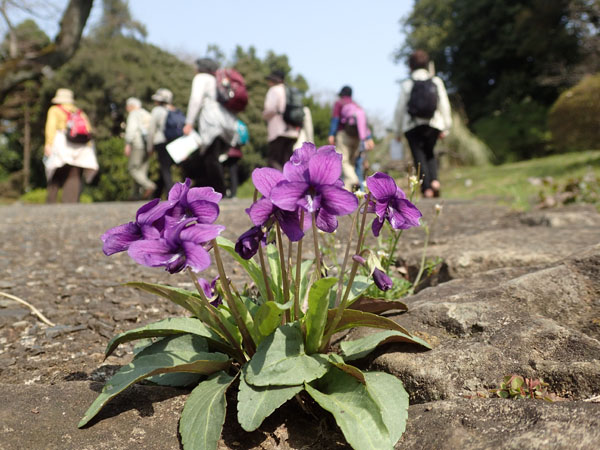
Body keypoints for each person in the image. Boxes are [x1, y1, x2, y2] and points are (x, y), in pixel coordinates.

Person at [394, 49, 452, 198]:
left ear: (410, 66)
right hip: (434, 124)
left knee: (418, 156)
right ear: (427, 65)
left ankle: (426, 188)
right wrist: (446, 126)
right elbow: (444, 104)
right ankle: (435, 182)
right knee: (430, 153)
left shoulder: (407, 84)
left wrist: (397, 131)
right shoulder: (436, 81)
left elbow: (400, 108)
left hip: (412, 126)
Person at [182, 57, 228, 194]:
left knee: (210, 158)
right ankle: (213, 191)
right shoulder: (216, 80)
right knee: (211, 157)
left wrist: (189, 122)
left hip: (210, 121)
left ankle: (219, 191)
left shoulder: (201, 78)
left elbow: (196, 99)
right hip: (223, 121)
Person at [43, 88, 98, 203]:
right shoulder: (78, 111)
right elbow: (88, 130)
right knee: (74, 173)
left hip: (62, 142)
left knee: (56, 171)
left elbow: (51, 127)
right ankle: (71, 202)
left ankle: (51, 201)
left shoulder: (55, 110)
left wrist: (48, 144)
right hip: (79, 144)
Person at [328, 86, 374, 190]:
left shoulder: (339, 103)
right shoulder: (356, 105)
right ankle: (355, 193)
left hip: (344, 135)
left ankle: (353, 180)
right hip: (358, 137)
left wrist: (331, 134)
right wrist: (369, 137)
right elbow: (363, 124)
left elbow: (335, 119)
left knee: (344, 162)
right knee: (353, 164)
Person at [263, 70, 299, 170]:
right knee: (287, 162)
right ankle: (289, 183)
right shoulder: (291, 91)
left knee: (273, 160)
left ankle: (278, 184)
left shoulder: (274, 90)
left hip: (278, 131)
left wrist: (264, 115)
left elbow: (270, 109)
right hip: (292, 132)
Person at [124, 97, 155, 199]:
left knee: (133, 168)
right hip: (148, 145)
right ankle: (136, 195)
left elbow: (131, 129)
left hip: (137, 145)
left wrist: (127, 143)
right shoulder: (147, 114)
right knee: (141, 170)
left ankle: (149, 185)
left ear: (131, 106)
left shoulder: (134, 114)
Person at [146, 88, 175, 197]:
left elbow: (151, 131)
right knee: (165, 167)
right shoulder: (172, 110)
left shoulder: (157, 111)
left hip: (160, 142)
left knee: (165, 168)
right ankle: (157, 194)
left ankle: (171, 194)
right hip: (172, 142)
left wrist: (149, 148)